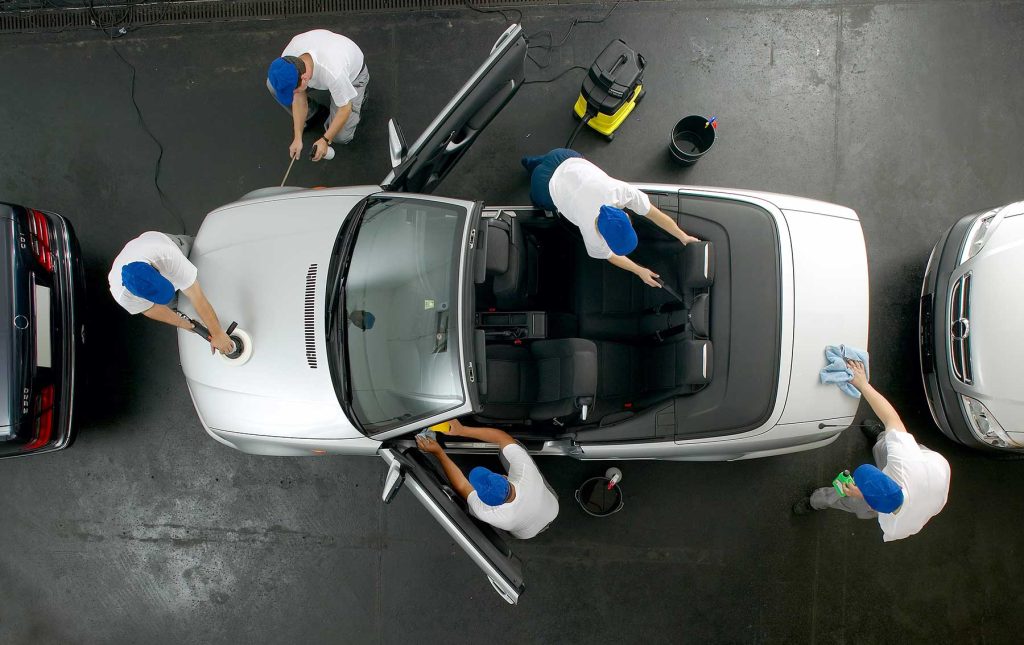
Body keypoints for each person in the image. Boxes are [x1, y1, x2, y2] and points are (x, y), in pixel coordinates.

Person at [793, 360, 952, 541]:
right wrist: (862, 384)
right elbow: (891, 418)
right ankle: (882, 437)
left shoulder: (895, 527)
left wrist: (860, 494)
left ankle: (815, 501)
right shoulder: (906, 461)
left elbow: (878, 503)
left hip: (901, 494)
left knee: (852, 500)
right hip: (921, 464)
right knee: (889, 444)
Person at [521, 148, 700, 287]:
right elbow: (610, 256)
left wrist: (682, 236)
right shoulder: (590, 231)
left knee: (537, 161)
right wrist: (639, 270)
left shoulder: (621, 191)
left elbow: (654, 214)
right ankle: (531, 171)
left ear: (627, 217)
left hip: (564, 158)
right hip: (546, 185)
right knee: (537, 200)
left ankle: (528, 162)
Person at [415, 419, 559, 539]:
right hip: (550, 508)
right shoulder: (526, 472)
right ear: (504, 477)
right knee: (513, 446)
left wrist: (439, 453)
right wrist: (462, 430)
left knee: (513, 450)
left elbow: (462, 486)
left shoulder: (486, 512)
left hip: (530, 529)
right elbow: (502, 438)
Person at [108, 232, 234, 354]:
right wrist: (184, 324)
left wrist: (217, 333)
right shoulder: (122, 295)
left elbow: (197, 296)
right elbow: (150, 309)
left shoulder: (167, 255)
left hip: (168, 245)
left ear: (156, 270)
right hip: (151, 269)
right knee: (181, 308)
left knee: (201, 249)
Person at [266, 29, 369, 162]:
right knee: (273, 85)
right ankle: (313, 114)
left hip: (352, 77)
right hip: (326, 72)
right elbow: (299, 99)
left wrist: (325, 140)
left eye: (294, 91)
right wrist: (297, 138)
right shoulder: (287, 60)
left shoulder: (333, 73)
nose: (292, 95)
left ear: (304, 78)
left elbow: (345, 108)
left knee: (340, 137)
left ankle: (360, 96)